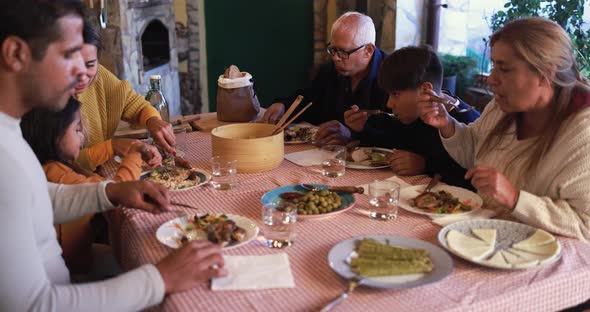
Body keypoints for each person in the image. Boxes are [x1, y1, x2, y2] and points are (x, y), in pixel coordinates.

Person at [0, 1, 225, 310]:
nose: (83, 72)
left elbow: (34, 198)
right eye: (68, 55)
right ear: (15, 54)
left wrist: (111, 191)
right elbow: (36, 305)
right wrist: (161, 278)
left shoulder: (8, 132)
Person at [418, 17, 590, 241]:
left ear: (545, 73)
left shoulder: (582, 133)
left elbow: (584, 225)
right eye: (493, 66)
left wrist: (515, 198)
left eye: (504, 69)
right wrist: (447, 124)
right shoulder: (503, 107)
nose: (491, 79)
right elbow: (475, 154)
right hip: (484, 240)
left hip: (543, 263)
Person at [20, 97, 162, 274]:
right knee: (145, 263)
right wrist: (134, 154)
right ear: (54, 136)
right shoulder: (58, 175)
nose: (82, 135)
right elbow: (117, 190)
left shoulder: (55, 165)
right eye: (77, 129)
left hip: (77, 255)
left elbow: (100, 184)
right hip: (71, 271)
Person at [345, 45, 480, 188]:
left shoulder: (468, 123)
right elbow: (388, 145)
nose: (389, 104)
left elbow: (472, 181)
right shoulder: (410, 115)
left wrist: (425, 165)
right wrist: (361, 129)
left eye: (395, 94)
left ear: (425, 90)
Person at [262, 12, 389, 145]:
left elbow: (398, 136)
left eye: (343, 52)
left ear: (368, 50)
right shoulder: (330, 70)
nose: (335, 58)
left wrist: (354, 136)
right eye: (332, 49)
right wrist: (283, 105)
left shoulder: (393, 77)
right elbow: (309, 100)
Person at [74, 19, 176, 171]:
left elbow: (133, 103)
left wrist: (153, 120)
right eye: (74, 66)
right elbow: (56, 166)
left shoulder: (99, 76)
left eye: (90, 64)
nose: (83, 76)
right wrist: (111, 147)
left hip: (96, 174)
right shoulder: (48, 97)